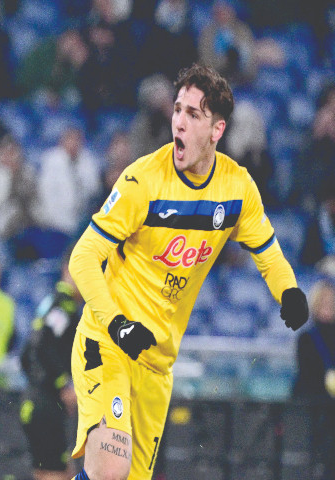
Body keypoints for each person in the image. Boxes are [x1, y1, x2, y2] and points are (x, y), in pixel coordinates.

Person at [67, 63, 309, 480]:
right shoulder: (142, 180)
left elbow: (267, 252)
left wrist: (289, 291)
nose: (178, 120)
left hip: (158, 364)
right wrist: (119, 324)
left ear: (216, 130)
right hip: (107, 344)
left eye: (192, 114)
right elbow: (82, 258)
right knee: (111, 470)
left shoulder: (236, 187)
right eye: (177, 109)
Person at [20, 248, 84, 479]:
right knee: (54, 474)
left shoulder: (51, 304)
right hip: (45, 404)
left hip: (37, 400)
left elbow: (27, 354)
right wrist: (62, 384)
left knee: (63, 471)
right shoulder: (64, 306)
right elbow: (41, 345)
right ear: (68, 270)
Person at [293, 280, 335, 480]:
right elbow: (306, 373)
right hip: (314, 405)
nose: (329, 305)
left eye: (332, 301)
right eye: (325, 301)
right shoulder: (307, 337)